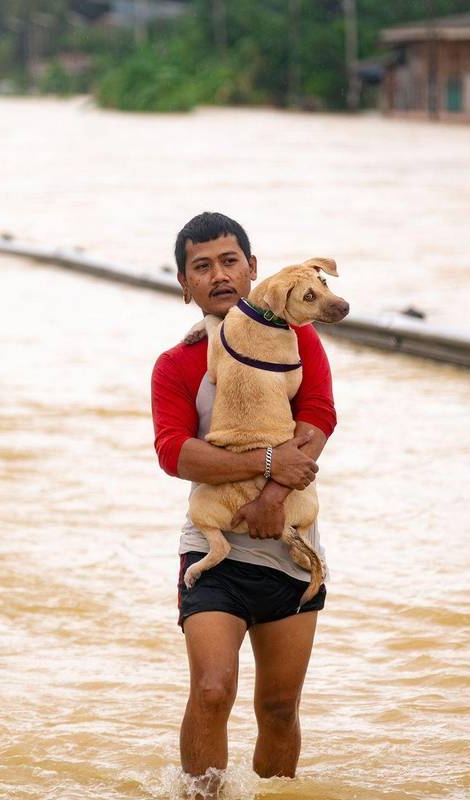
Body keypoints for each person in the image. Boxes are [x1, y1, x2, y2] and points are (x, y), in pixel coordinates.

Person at [150, 212, 336, 794]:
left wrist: (273, 495)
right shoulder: (176, 364)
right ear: (185, 284)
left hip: (289, 548)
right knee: (212, 690)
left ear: (254, 269)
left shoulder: (299, 340)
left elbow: (318, 418)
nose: (220, 275)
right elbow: (175, 453)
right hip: (215, 549)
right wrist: (267, 464)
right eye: (202, 267)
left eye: (230, 261)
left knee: (279, 708)